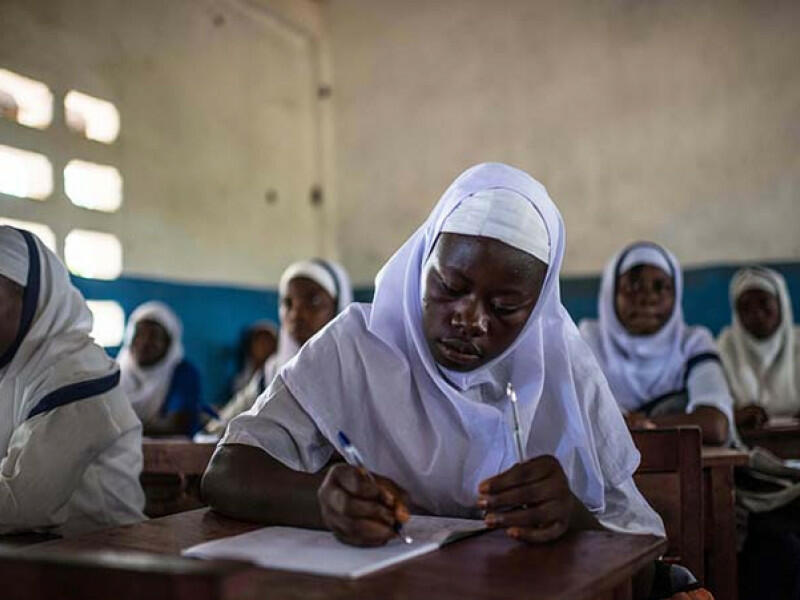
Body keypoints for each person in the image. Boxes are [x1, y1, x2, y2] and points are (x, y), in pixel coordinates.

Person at [203, 163, 665, 558]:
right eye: (449, 286)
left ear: (538, 305)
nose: (470, 319)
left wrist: (575, 518)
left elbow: (643, 552)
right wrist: (319, 501)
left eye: (505, 307)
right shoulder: (356, 347)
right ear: (421, 264)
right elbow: (225, 472)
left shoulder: (565, 372)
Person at [0, 226, 145, 536]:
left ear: (33, 301)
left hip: (109, 557)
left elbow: (23, 504)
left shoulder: (76, 374)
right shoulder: (13, 370)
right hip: (39, 554)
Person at [579, 242, 733, 446]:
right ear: (611, 294)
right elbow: (578, 422)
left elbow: (715, 425)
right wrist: (669, 423)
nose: (647, 298)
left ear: (675, 294)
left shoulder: (693, 342)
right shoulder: (588, 342)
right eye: (633, 287)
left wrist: (640, 425)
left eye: (661, 287)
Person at [201, 259, 352, 437]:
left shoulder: (352, 370)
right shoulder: (273, 371)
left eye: (314, 301)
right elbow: (223, 423)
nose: (296, 314)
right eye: (288, 303)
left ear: (338, 307)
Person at [717, 267, 799, 430]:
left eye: (764, 303)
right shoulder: (723, 349)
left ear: (781, 304)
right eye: (745, 307)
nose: (757, 314)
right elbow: (716, 409)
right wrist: (734, 416)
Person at [118, 302, 203, 437]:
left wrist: (117, 429)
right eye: (139, 334)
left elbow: (175, 424)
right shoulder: (116, 373)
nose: (144, 343)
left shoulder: (183, 373)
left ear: (169, 343)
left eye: (154, 336)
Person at [230, 321, 278, 396]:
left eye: (268, 341)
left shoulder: (278, 374)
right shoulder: (239, 380)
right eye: (259, 341)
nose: (263, 346)